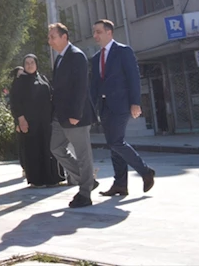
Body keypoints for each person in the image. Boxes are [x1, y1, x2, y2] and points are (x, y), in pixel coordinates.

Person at [90, 19, 155, 197]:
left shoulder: (123, 51)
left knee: (116, 142)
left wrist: (136, 102)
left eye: (98, 32)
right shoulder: (96, 58)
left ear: (109, 32)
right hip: (104, 107)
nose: (95, 35)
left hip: (121, 104)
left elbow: (133, 77)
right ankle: (120, 184)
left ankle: (145, 171)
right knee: (113, 144)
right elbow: (94, 85)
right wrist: (90, 108)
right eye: (94, 32)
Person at [47, 22, 98, 208]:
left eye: (53, 37)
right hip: (60, 116)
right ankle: (87, 180)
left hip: (76, 116)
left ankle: (85, 194)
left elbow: (81, 87)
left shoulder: (76, 56)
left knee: (83, 154)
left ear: (64, 37)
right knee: (56, 148)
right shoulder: (60, 58)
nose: (49, 41)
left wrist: (76, 113)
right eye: (49, 37)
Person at [10, 54, 63, 188]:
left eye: (32, 62)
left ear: (36, 64)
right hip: (30, 123)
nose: (29, 65)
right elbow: (15, 102)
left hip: (46, 122)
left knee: (48, 149)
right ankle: (37, 180)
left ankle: (52, 178)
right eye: (27, 63)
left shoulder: (42, 78)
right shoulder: (20, 82)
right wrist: (20, 120)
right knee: (33, 150)